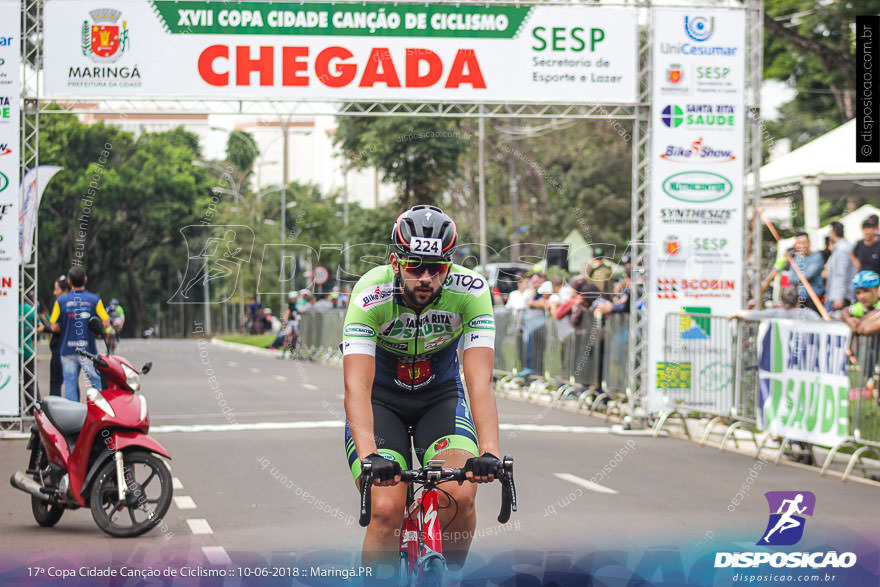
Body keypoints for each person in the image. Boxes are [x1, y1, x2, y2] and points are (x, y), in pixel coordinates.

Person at [341, 205, 500, 576]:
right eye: (415, 266)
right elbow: (357, 385)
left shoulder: (472, 291)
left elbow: (479, 381)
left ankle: (450, 576)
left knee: (460, 496)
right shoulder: (370, 293)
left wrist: (490, 451)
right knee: (385, 509)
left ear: (449, 266)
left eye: (437, 267)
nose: (426, 277)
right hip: (382, 402)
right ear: (395, 263)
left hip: (439, 398)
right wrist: (369, 457)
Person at [49, 266, 110, 400]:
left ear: (69, 282)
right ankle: (101, 413)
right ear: (85, 280)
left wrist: (64, 326)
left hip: (68, 350)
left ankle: (73, 417)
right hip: (88, 350)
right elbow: (106, 322)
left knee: (70, 386)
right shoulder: (95, 300)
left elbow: (53, 326)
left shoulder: (61, 301)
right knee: (97, 384)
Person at [761, 232, 824, 313]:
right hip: (798, 300)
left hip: (813, 299)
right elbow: (791, 278)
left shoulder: (816, 257)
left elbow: (807, 275)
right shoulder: (794, 258)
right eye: (799, 243)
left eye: (804, 243)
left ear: (809, 243)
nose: (802, 246)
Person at [729, 286, 824, 322]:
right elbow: (822, 324)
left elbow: (758, 314)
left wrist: (739, 313)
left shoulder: (777, 313)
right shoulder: (807, 313)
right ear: (799, 300)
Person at [824, 221, 857, 316]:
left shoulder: (842, 249)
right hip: (840, 294)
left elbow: (840, 274)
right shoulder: (841, 247)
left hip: (842, 296)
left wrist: (838, 297)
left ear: (833, 232)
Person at [46, 276, 71, 396]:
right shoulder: (77, 302)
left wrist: (44, 328)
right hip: (72, 349)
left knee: (55, 383)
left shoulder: (60, 303)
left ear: (65, 290)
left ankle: (54, 412)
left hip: (59, 349)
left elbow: (54, 326)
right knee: (71, 383)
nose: (54, 292)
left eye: (56, 289)